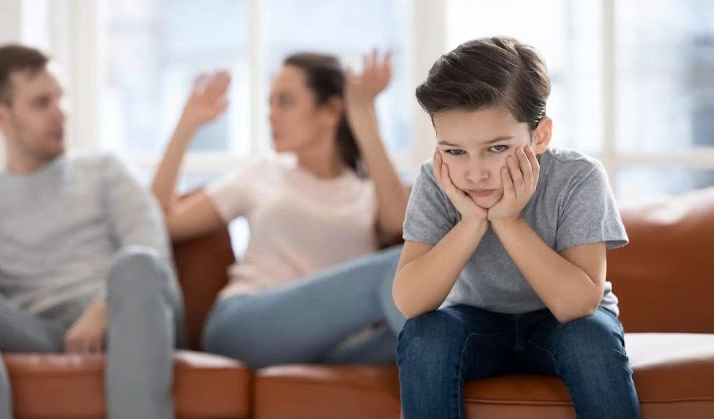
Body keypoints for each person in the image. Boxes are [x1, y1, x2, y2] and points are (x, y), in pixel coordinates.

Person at [0, 44, 182, 419]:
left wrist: (103, 307)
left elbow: (151, 249)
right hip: (34, 329)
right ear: (0, 117)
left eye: (61, 98)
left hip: (124, 321)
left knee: (139, 262)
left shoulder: (104, 169)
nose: (61, 113)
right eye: (42, 103)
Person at [393, 37, 640, 419]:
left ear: (539, 136)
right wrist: (472, 220)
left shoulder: (579, 177)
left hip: (562, 322)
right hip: (477, 321)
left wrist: (508, 221)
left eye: (497, 149)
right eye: (455, 151)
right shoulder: (437, 180)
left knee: (590, 337)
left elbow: (578, 304)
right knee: (426, 335)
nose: (475, 173)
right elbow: (410, 301)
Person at [151, 50, 409, 368]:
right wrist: (186, 126)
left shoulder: (368, 192)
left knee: (419, 339)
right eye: (269, 103)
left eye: (285, 102)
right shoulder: (262, 172)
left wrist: (363, 112)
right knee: (400, 268)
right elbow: (162, 221)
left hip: (334, 348)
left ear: (331, 111)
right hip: (247, 324)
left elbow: (398, 221)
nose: (271, 115)